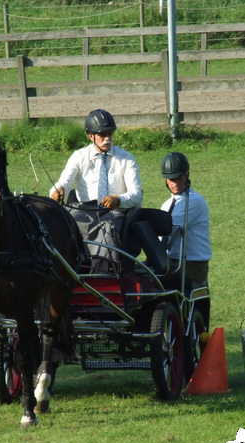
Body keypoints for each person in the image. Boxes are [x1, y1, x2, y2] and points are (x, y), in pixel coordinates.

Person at [49, 109, 142, 266]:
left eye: (110, 134)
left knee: (107, 230)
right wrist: (57, 191)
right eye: (102, 135)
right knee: (60, 223)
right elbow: (64, 182)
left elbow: (136, 194)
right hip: (83, 209)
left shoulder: (126, 159)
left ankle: (100, 273)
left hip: (113, 212)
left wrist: (118, 199)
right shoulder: (79, 156)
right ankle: (60, 268)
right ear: (91, 136)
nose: (107, 139)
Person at [159, 152, 211, 319]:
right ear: (166, 180)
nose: (175, 183)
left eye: (179, 178)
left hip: (193, 265)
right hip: (172, 262)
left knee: (153, 279)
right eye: (171, 179)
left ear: (187, 175)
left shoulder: (195, 201)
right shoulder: (167, 205)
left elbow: (167, 228)